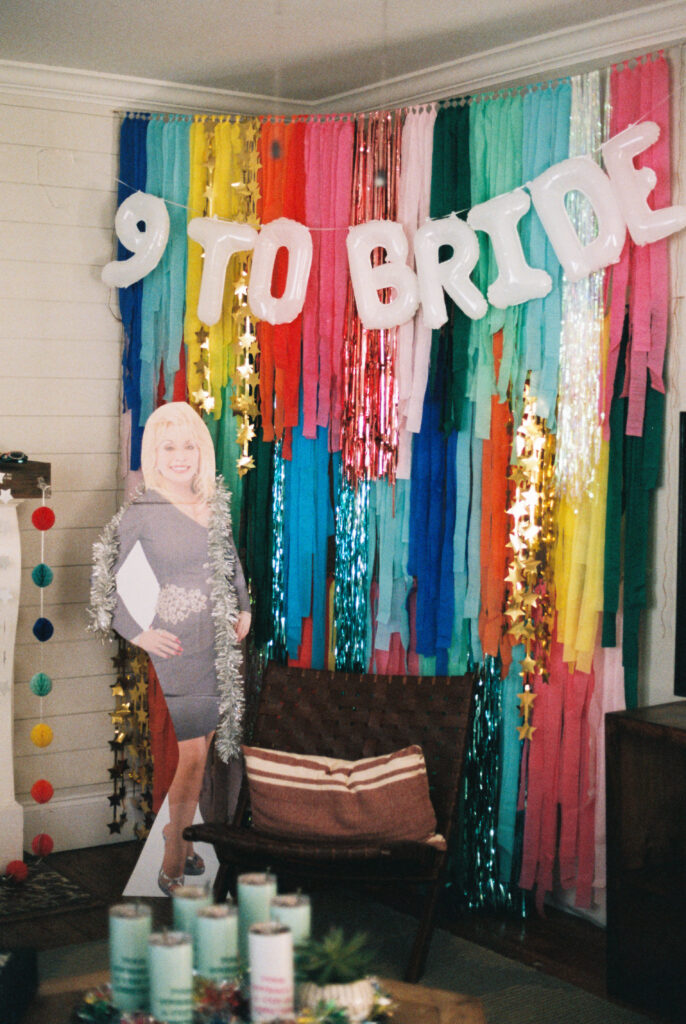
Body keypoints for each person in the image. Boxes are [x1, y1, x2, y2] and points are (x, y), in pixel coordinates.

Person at [89, 402, 250, 895]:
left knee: (203, 752)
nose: (179, 456)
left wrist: (244, 607)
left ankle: (176, 833)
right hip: (177, 644)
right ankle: (173, 858)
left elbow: (231, 559)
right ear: (153, 455)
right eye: (168, 447)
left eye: (188, 446)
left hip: (217, 643)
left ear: (201, 451)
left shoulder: (213, 502)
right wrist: (139, 633)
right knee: (194, 757)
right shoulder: (145, 511)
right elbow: (103, 585)